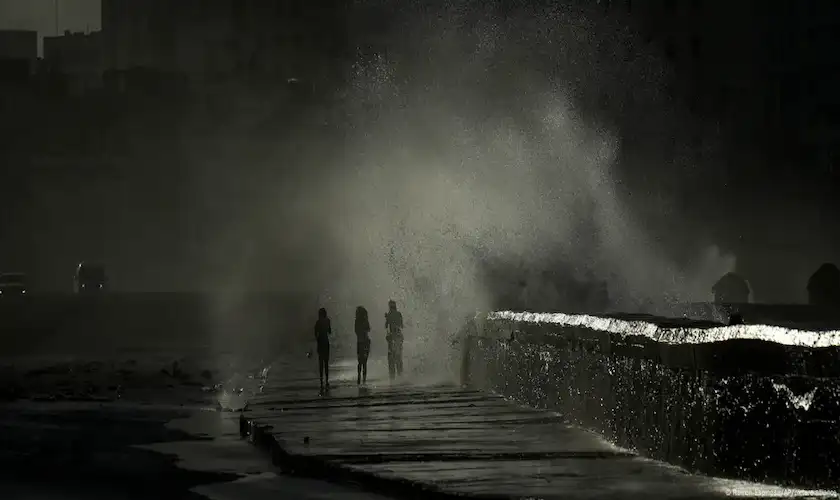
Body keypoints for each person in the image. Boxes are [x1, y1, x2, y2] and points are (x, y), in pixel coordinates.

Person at [385, 299, 404, 380]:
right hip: (399, 336)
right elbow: (401, 325)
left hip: (392, 337)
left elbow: (386, 326)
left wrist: (387, 318)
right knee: (398, 356)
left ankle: (392, 375)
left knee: (391, 357)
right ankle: (400, 373)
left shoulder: (389, 314)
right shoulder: (399, 314)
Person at [314, 307, 331, 393]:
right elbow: (330, 331)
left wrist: (317, 339)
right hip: (326, 343)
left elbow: (315, 333)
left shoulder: (318, 322)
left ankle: (321, 380)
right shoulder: (327, 321)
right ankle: (327, 380)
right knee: (326, 362)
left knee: (320, 363)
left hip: (320, 343)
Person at [355, 306, 371, 386]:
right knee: (364, 362)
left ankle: (359, 378)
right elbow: (368, 329)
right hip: (366, 342)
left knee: (360, 362)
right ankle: (364, 379)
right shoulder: (365, 321)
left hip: (360, 342)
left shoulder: (357, 321)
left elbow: (356, 331)